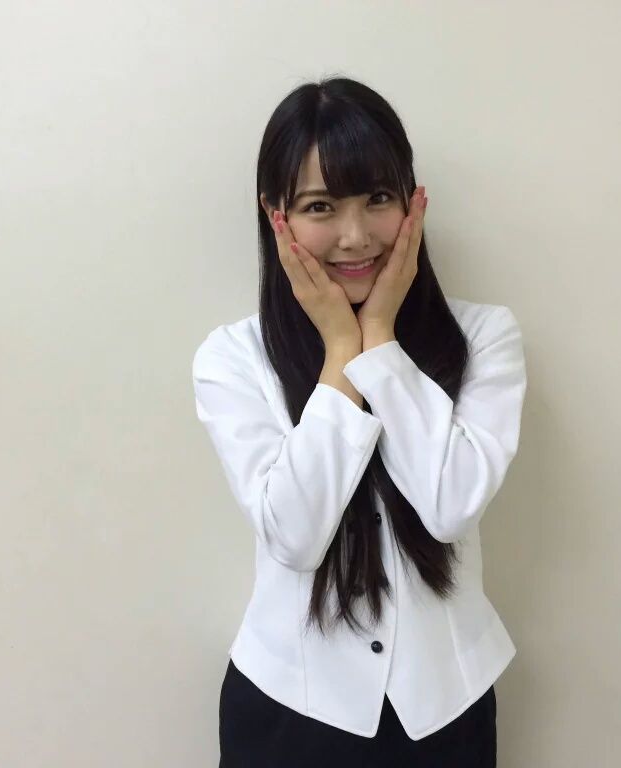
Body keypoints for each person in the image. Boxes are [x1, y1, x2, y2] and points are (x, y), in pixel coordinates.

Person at [192, 76, 527, 767]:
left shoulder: (485, 336)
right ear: (277, 217)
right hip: (289, 711)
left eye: (377, 198)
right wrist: (342, 352)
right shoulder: (232, 358)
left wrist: (380, 343)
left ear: (412, 202)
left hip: (447, 710)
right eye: (321, 206)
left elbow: (449, 506)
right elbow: (294, 536)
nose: (355, 236)